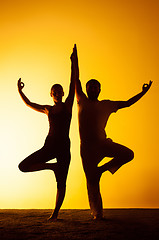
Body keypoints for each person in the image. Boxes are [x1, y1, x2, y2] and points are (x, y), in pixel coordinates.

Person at [74, 45, 153, 220]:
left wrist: (143, 92)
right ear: (87, 90)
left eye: (96, 87)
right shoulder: (82, 101)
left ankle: (101, 170)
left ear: (100, 90)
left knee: (128, 154)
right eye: (90, 87)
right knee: (92, 181)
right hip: (87, 148)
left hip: (103, 144)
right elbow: (76, 80)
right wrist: (74, 61)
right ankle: (98, 214)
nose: (93, 89)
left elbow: (127, 103)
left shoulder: (107, 104)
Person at [17, 45, 77, 221]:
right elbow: (29, 103)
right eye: (55, 92)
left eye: (60, 91)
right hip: (49, 145)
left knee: (62, 182)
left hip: (64, 147)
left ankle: (55, 214)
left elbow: (73, 80)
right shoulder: (47, 109)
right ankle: (52, 167)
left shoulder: (68, 105)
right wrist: (20, 91)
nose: (58, 93)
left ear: (63, 93)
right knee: (23, 166)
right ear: (51, 95)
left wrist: (73, 63)